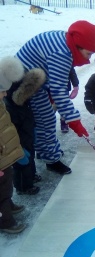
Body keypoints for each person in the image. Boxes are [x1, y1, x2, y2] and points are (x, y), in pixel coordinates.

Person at [15, 20, 95, 175]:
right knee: (46, 119)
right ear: (78, 46)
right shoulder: (62, 53)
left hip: (36, 79)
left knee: (44, 118)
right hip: (25, 83)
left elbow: (50, 75)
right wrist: (73, 120)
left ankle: (44, 151)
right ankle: (51, 160)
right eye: (88, 53)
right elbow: (59, 90)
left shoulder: (66, 41)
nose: (88, 59)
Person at [4, 67, 46, 195]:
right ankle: (23, 186)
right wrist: (17, 146)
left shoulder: (23, 103)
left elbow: (27, 119)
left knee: (30, 159)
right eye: (30, 92)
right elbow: (11, 130)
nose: (32, 94)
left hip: (27, 137)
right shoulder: (12, 108)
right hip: (19, 142)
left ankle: (31, 177)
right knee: (22, 164)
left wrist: (33, 129)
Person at [0, 56, 27, 234]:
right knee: (0, 193)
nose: (5, 94)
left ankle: (8, 204)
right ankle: (5, 221)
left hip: (4, 157)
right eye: (2, 91)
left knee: (6, 186)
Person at [60, 67, 80, 133]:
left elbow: (72, 72)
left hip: (64, 87)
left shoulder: (66, 59)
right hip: (48, 87)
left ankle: (64, 122)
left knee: (63, 106)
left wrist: (75, 85)